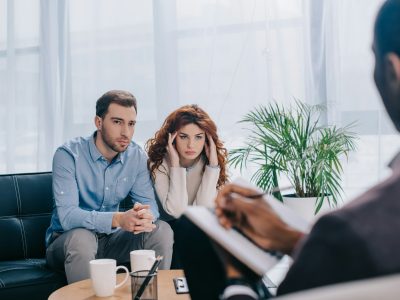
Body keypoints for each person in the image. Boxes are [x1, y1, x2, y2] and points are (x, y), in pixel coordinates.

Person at [176, 1, 400, 299]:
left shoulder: (349, 231)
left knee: (195, 236)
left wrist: (238, 276)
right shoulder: (355, 236)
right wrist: (293, 238)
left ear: (393, 70)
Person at [45, 90, 173, 284]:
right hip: (67, 243)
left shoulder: (136, 157)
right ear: (98, 122)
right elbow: (68, 217)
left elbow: (149, 205)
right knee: (82, 238)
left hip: (113, 240)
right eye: (117, 122)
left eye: (131, 124)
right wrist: (118, 219)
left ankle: (152, 295)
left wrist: (144, 216)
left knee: (161, 229)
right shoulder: (68, 155)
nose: (126, 132)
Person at [145, 104, 228, 219]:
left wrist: (213, 166)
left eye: (198, 137)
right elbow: (176, 211)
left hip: (200, 228)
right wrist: (175, 166)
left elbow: (205, 210)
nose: (191, 145)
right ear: (172, 138)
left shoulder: (210, 164)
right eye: (183, 137)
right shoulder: (159, 163)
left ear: (207, 139)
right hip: (167, 230)